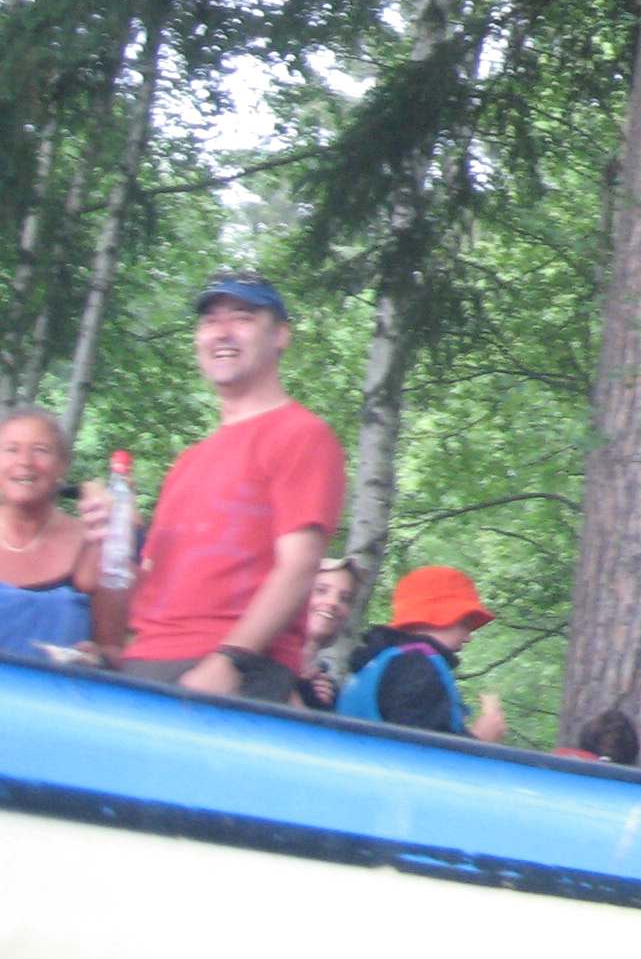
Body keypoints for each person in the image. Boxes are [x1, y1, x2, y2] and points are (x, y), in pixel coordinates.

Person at [97, 275, 347, 703]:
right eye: (211, 320)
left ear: (280, 335)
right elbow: (145, 586)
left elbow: (300, 566)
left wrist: (231, 660)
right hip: (145, 664)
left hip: (232, 670)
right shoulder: (188, 461)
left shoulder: (301, 435)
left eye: (242, 317)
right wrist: (109, 541)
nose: (222, 332)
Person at [0, 408, 127, 659]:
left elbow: (113, 651)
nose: (25, 462)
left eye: (40, 450)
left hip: (55, 684)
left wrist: (96, 657)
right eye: (11, 450)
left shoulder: (93, 539)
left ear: (62, 465)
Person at [337, 564, 510, 740]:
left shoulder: (379, 661)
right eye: (465, 624)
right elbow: (420, 750)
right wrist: (479, 738)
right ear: (439, 615)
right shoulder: (416, 666)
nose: (468, 637)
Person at [295, 555, 364, 709]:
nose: (333, 602)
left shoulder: (327, 690)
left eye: (344, 598)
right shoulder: (260, 659)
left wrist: (319, 705)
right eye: (321, 591)